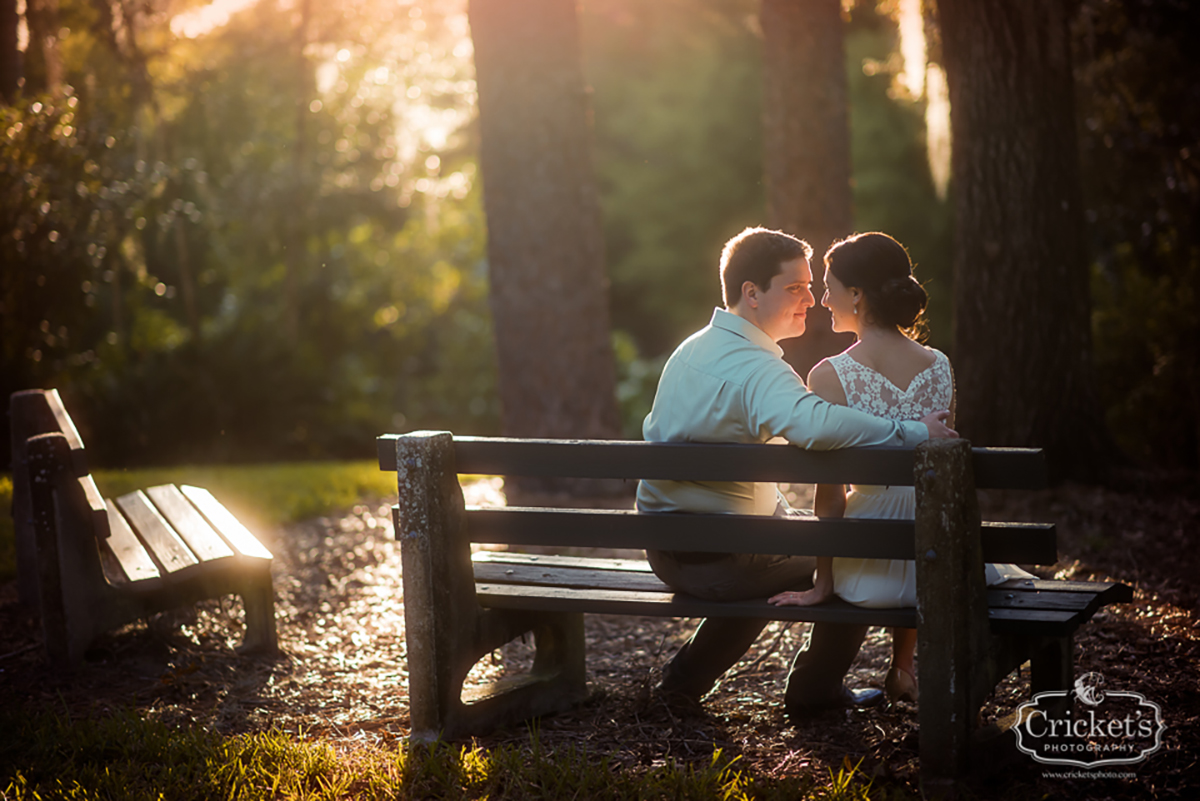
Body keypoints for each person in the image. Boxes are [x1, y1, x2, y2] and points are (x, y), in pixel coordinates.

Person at [637, 226, 959, 717]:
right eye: (794, 287)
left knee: (796, 551)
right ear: (751, 293)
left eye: (812, 286)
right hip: (719, 561)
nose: (811, 299)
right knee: (853, 554)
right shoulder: (757, 368)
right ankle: (814, 689)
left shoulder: (692, 348)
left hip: (665, 549)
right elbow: (815, 425)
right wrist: (915, 430)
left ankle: (681, 686)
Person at [767, 231, 1033, 705]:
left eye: (830, 286)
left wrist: (822, 584)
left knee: (876, 522)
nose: (823, 299)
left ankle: (837, 683)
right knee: (925, 534)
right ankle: (903, 667)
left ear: (857, 295)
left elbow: (828, 495)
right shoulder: (939, 365)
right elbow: (939, 478)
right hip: (941, 556)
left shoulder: (829, 375)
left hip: (866, 572)